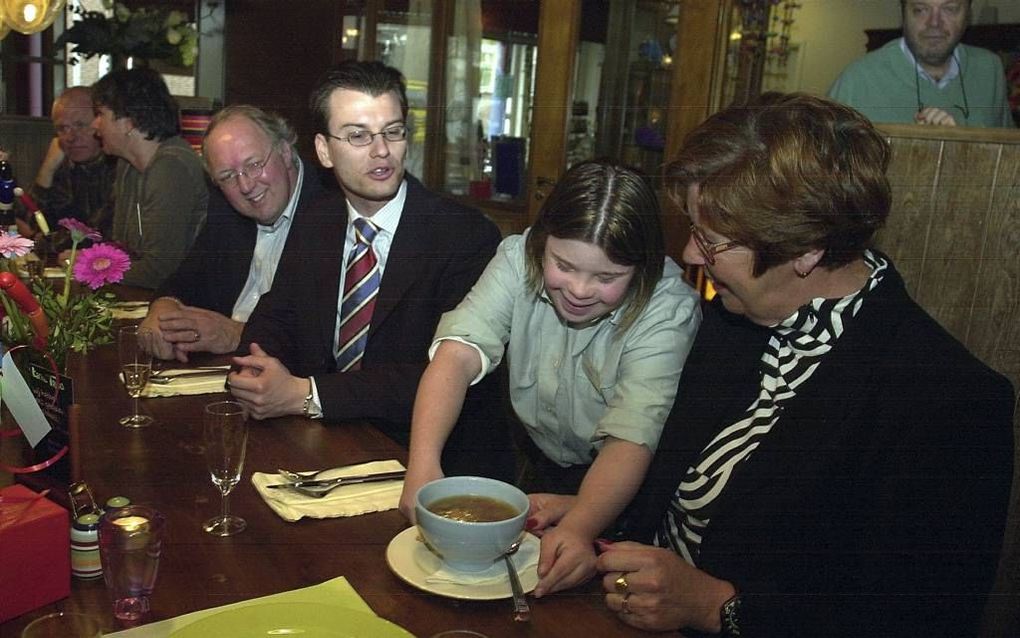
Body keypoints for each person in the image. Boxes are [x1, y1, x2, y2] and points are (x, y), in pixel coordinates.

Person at [549, 93, 1014, 636]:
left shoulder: (949, 400)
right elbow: (687, 488)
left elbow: (918, 619)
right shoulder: (734, 315)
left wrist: (716, 605)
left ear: (807, 250)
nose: (693, 256)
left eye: (712, 241)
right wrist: (590, 510)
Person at [399, 160, 702, 598]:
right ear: (542, 243)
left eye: (607, 277)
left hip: (629, 488)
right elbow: (457, 355)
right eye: (563, 265)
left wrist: (580, 527)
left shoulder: (667, 307)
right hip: (538, 468)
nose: (579, 290)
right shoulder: (517, 258)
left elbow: (631, 438)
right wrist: (423, 463)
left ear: (641, 267)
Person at [228, 60, 514, 481]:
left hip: (431, 467)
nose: (381, 151)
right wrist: (258, 372)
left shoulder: (464, 236)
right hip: (326, 448)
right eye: (358, 136)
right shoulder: (316, 220)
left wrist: (307, 394)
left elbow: (440, 376)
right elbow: (277, 314)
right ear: (324, 150)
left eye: (393, 132)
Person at [139, 106, 324, 362]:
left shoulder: (332, 208)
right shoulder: (227, 203)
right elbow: (186, 279)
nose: (246, 185)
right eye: (227, 176)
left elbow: (321, 339)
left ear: (284, 150)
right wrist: (164, 311)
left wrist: (236, 334)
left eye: (255, 164)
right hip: (222, 369)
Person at [91, 68, 209, 289]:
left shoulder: (172, 168)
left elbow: (159, 271)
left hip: (188, 299)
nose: (94, 125)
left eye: (100, 114)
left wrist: (91, 269)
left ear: (130, 122)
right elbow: (121, 248)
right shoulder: (128, 165)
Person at [828, 0, 1014, 127]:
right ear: (903, 15)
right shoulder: (857, 81)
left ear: (967, 16)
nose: (934, 22)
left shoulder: (990, 70)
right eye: (920, 9)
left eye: (950, 8)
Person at [27, 86, 116, 239]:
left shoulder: (120, 167)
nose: (70, 137)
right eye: (62, 128)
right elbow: (34, 226)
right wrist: (46, 171)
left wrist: (47, 242)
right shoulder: (61, 166)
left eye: (80, 125)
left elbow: (97, 236)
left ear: (100, 123)